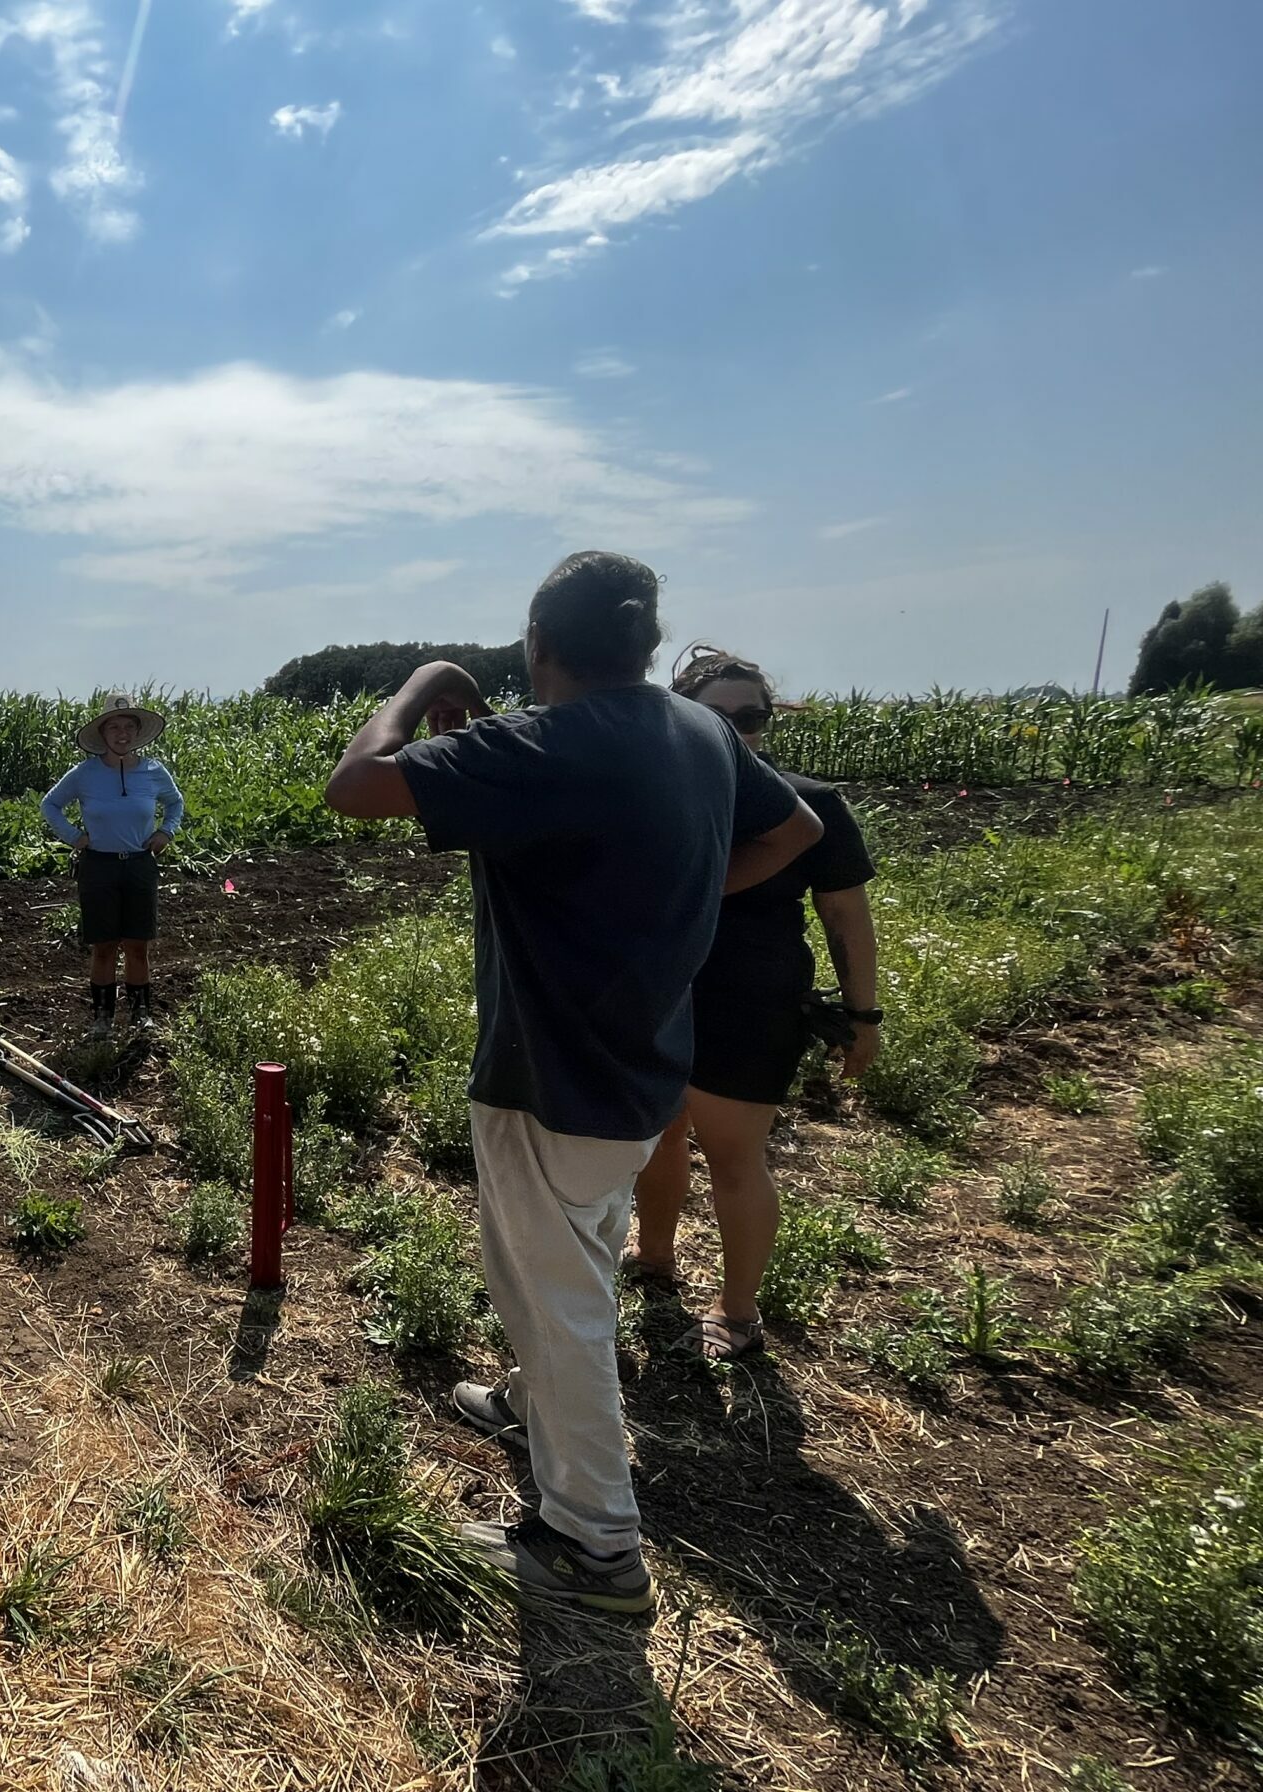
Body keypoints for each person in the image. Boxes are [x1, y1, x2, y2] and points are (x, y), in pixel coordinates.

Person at [324, 551, 822, 1615]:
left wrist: (419, 681)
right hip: (642, 1065)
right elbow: (795, 829)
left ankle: (594, 1545)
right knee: (581, 1255)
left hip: (550, 1076)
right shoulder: (696, 733)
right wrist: (676, 900)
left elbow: (354, 784)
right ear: (646, 646)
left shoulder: (542, 743)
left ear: (537, 644)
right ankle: (528, 1401)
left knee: (562, 1304)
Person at [627, 647, 882, 1360]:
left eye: (752, 716)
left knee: (734, 1156)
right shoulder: (653, 801)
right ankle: (654, 1257)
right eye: (719, 716)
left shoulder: (810, 805)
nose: (737, 731)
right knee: (660, 1135)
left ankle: (739, 1313)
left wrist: (863, 1017)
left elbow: (846, 918)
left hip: (752, 1004)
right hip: (662, 993)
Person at [40, 694, 183, 1036]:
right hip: (99, 867)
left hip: (139, 865)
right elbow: (51, 805)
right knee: (103, 946)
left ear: (137, 732)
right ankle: (102, 1019)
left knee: (137, 945)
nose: (122, 733)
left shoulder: (153, 771)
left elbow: (175, 803)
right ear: (103, 734)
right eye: (114, 727)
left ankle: (140, 1015)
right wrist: (75, 836)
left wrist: (166, 831)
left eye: (128, 727)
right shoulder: (84, 773)